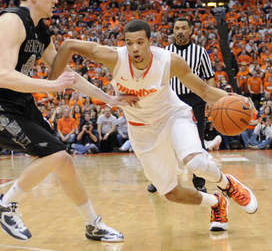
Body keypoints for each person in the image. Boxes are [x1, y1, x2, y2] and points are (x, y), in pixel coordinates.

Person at [0, 0, 138, 242]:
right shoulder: (13, 21)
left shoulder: (40, 31)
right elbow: (3, 76)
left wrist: (109, 99)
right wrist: (53, 86)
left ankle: (92, 224)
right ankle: (5, 205)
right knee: (56, 154)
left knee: (65, 161)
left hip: (18, 101)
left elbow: (68, 75)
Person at [52, 19, 258, 232]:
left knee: (195, 163)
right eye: (129, 42)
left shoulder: (169, 61)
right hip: (141, 129)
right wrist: (51, 83)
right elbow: (68, 45)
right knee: (171, 193)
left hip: (172, 116)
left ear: (151, 42)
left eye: (140, 42)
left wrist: (239, 101)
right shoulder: (115, 58)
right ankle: (217, 203)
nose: (134, 48)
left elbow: (205, 91)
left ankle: (228, 185)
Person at [148, 17, 215, 194]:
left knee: (197, 139)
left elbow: (209, 76)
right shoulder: (166, 52)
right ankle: (160, 179)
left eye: (183, 28)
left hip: (195, 100)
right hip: (171, 99)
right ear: (173, 31)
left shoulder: (200, 52)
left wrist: (210, 100)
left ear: (190, 30)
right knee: (164, 140)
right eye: (176, 28)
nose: (179, 31)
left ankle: (199, 180)